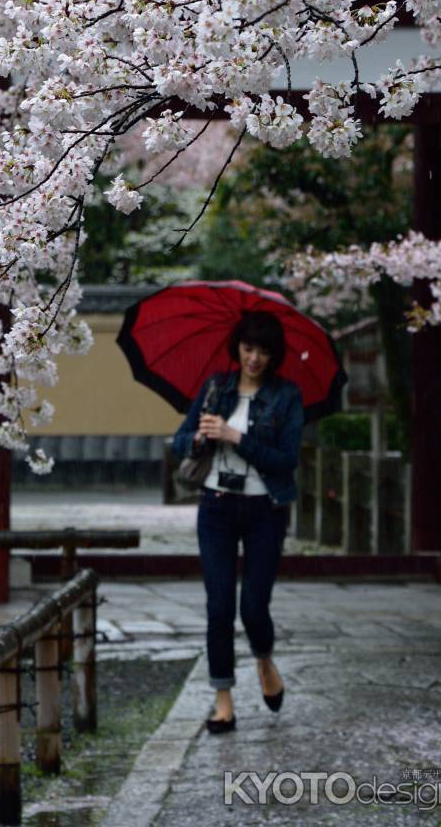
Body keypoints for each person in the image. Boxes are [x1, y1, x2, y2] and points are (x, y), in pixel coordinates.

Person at [172, 310, 304, 733]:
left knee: (253, 607)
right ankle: (223, 700)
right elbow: (180, 440)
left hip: (265, 509)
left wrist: (237, 439)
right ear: (238, 348)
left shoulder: (287, 396)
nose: (254, 359)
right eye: (248, 349)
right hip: (217, 507)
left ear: (273, 355)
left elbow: (287, 460)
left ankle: (264, 660)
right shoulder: (216, 387)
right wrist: (197, 437)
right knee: (219, 606)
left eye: (263, 351)